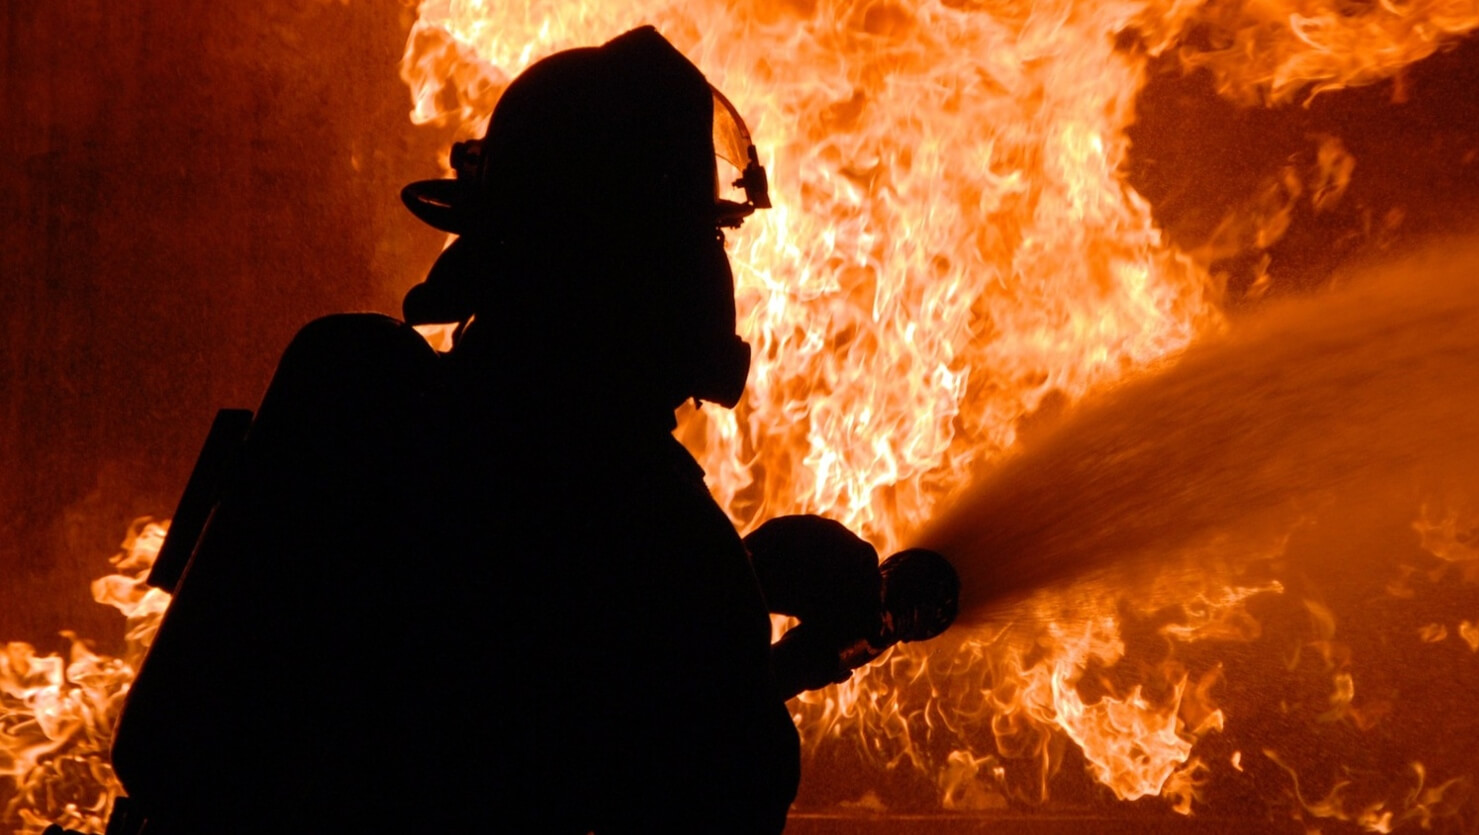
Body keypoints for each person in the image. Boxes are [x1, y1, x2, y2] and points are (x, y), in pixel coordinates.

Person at [111, 26, 909, 834]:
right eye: (702, 235)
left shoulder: (351, 391)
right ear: (646, 269)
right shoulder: (667, 550)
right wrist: (737, 636)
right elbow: (685, 782)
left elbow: (381, 694)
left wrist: (735, 602)